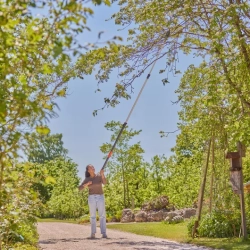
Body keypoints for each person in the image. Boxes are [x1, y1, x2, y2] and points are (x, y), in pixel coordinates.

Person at [79, 164, 107, 239]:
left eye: (93, 167)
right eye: (91, 167)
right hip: (91, 197)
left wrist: (103, 175)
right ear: (88, 170)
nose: (93, 168)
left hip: (100, 196)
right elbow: (80, 188)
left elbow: (105, 183)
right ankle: (93, 233)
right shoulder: (87, 179)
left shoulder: (99, 176)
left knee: (102, 215)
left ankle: (104, 233)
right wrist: (87, 184)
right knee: (93, 216)